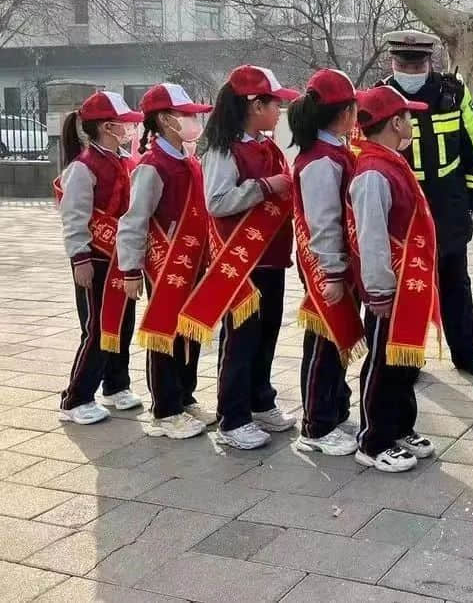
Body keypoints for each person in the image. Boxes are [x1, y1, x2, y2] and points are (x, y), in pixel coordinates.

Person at [186, 65, 299, 450]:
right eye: (274, 104)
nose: (279, 111)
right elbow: (216, 202)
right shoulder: (223, 149)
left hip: (271, 258)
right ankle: (232, 417)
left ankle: (259, 399)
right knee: (241, 340)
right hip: (242, 263)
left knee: (266, 334)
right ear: (254, 105)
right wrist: (265, 186)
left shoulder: (266, 145)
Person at [380, 30, 473, 377]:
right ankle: (408, 357)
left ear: (430, 61)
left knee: (455, 283)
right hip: (401, 207)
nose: (410, 70)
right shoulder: (380, 96)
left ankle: (465, 353)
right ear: (392, 62)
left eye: (417, 63)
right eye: (403, 63)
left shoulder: (452, 92)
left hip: (447, 204)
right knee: (408, 285)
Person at [350, 86, 444, 472]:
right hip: (390, 287)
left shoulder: (391, 162)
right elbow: (371, 236)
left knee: (406, 360)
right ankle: (373, 439)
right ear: (394, 122)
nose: (412, 123)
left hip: (411, 285)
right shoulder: (373, 173)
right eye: (408, 116)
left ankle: (401, 426)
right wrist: (379, 290)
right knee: (384, 362)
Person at [116, 84, 213, 439]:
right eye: (185, 115)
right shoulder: (152, 166)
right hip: (166, 263)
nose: (192, 120)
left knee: (191, 331)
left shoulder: (188, 161)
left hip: (195, 262)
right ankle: (165, 410)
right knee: (165, 334)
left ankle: (185, 397)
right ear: (165, 119)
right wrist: (130, 269)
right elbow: (134, 221)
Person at [55, 92, 145, 425]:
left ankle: (116, 384)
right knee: (96, 328)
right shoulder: (83, 167)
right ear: (108, 126)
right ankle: (76, 398)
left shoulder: (123, 160)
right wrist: (79, 258)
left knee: (122, 323)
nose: (130, 128)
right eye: (125, 123)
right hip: (95, 259)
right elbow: (74, 217)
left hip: (122, 258)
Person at [289, 69, 364, 456]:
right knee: (325, 340)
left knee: (336, 341)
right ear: (346, 112)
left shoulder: (334, 151)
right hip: (327, 265)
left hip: (339, 264)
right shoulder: (321, 160)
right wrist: (333, 272)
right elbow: (323, 222)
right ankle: (316, 427)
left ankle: (333, 409)